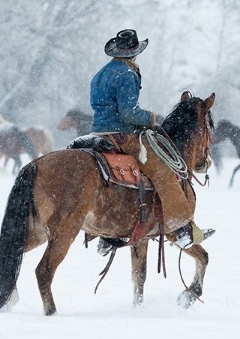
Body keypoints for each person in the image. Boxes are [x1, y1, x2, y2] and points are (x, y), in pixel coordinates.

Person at [89, 28, 214, 252]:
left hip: (97, 133)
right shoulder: (126, 74)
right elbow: (129, 113)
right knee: (164, 172)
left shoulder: (101, 73)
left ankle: (107, 233)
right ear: (134, 52)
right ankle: (182, 229)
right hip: (123, 135)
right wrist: (152, 118)